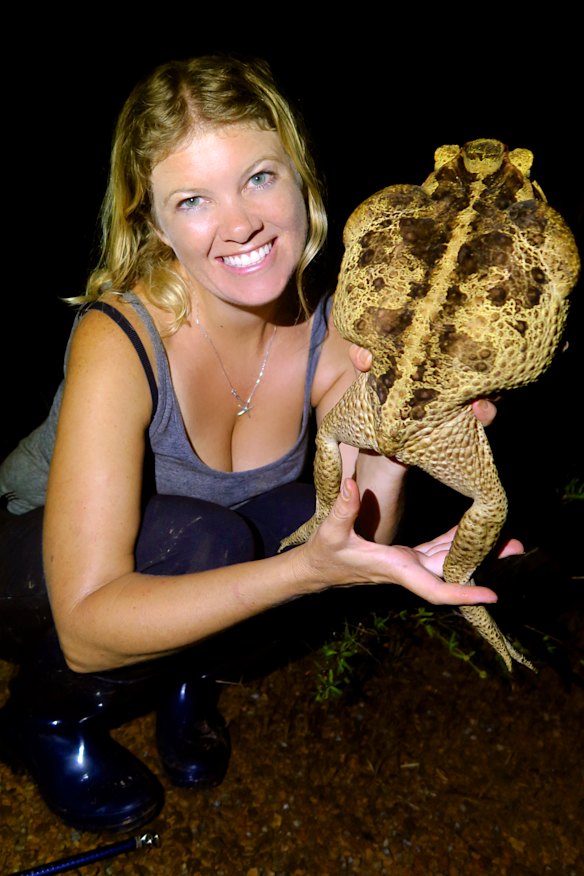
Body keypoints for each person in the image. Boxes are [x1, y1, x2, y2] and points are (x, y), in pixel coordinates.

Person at [0, 54, 521, 834]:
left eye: (259, 179)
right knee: (215, 541)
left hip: (198, 555)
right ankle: (43, 723)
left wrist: (416, 419)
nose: (239, 222)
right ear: (153, 222)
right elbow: (87, 620)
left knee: (301, 523)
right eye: (193, 199)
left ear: (301, 178)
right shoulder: (119, 336)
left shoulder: (339, 316)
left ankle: (188, 675)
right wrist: (300, 574)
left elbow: (363, 509)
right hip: (36, 563)